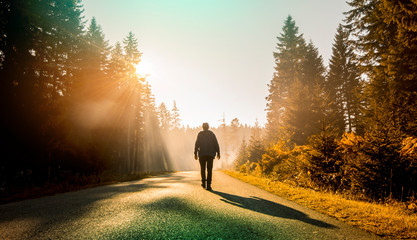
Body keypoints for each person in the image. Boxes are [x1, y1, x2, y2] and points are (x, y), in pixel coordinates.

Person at [194, 122, 220, 190]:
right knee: (209, 170)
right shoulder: (212, 134)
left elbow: (197, 144)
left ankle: (203, 183)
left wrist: (195, 153)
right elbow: (216, 144)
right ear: (208, 127)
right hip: (210, 155)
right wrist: (218, 153)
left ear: (202, 127)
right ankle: (208, 185)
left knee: (203, 169)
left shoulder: (200, 134)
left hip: (202, 154)